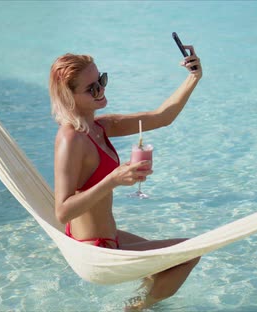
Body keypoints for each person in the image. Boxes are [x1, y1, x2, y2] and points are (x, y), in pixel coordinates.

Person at [49, 44, 203, 310]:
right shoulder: (70, 139)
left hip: (110, 238)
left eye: (102, 80)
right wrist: (114, 179)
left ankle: (147, 298)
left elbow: (162, 117)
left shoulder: (100, 126)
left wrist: (193, 78)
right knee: (189, 253)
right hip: (96, 251)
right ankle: (137, 307)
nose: (102, 90)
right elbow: (62, 211)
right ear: (68, 96)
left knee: (164, 268)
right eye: (92, 88)